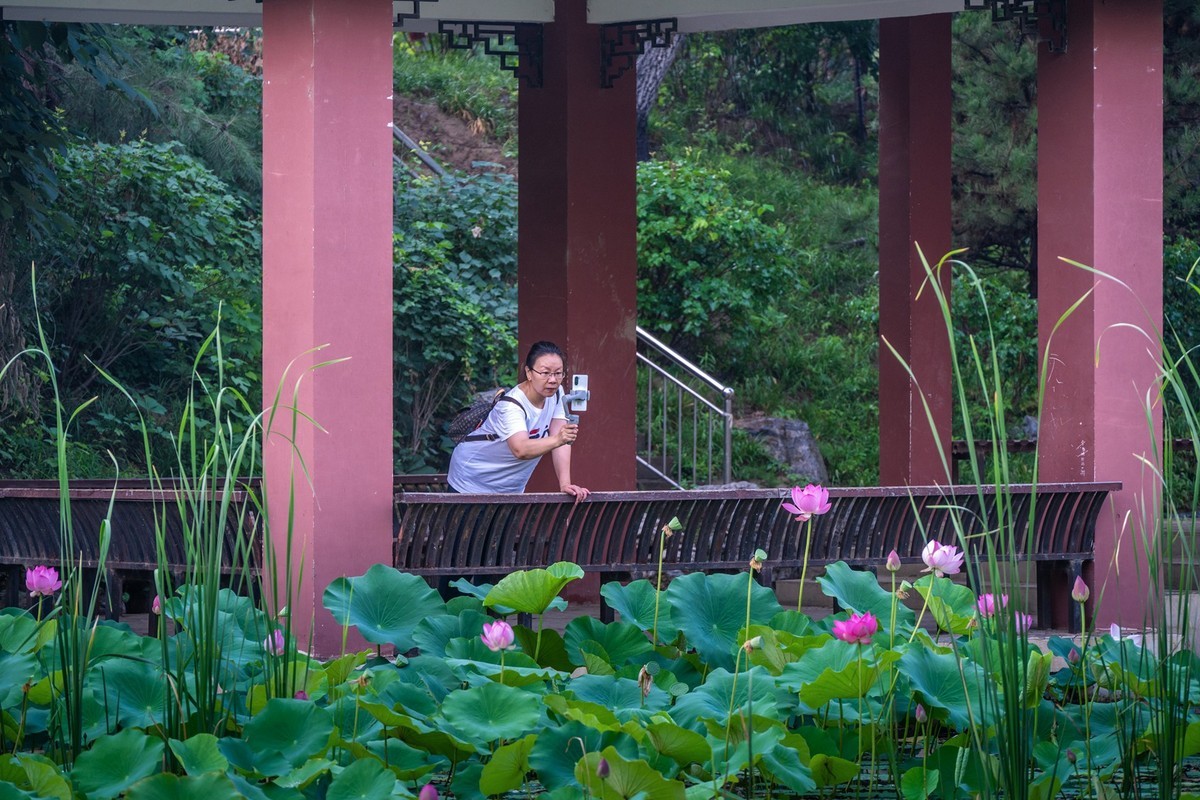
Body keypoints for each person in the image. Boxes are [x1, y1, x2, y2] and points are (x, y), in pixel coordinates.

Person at [447, 341, 590, 499]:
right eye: (545, 373)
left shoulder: (556, 394)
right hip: (471, 480)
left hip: (511, 488)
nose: (553, 380)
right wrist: (558, 439)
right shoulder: (511, 406)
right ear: (529, 373)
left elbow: (560, 439)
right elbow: (520, 450)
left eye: (558, 373)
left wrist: (565, 484)